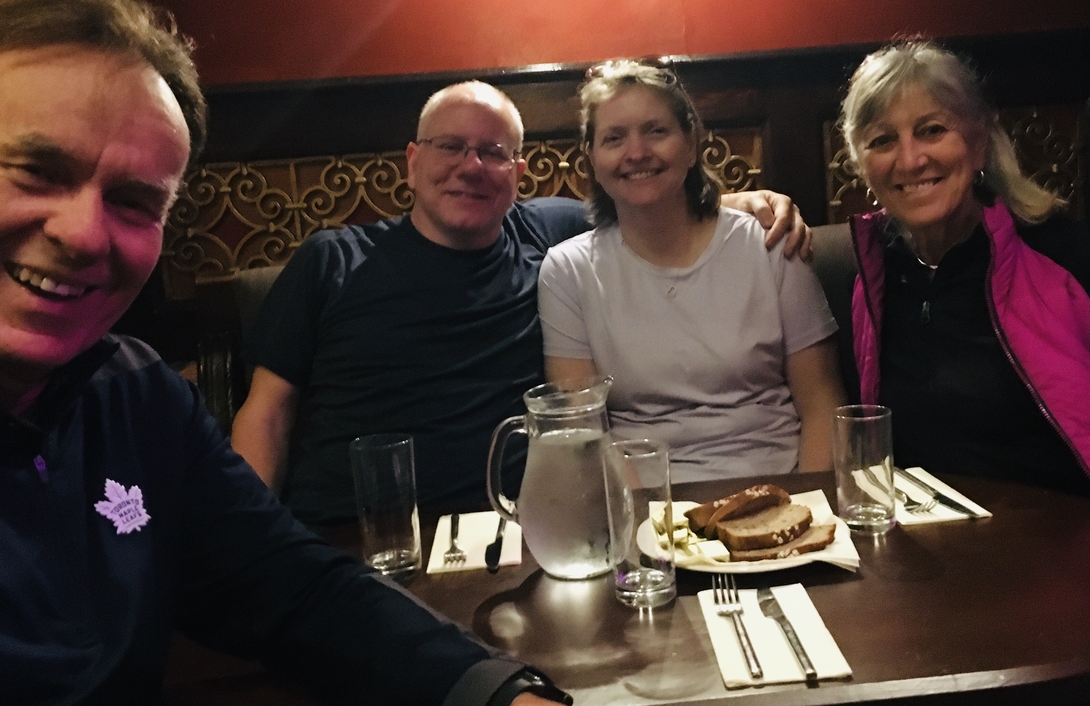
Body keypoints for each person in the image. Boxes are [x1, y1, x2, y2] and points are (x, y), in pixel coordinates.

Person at [0, 0, 572, 704]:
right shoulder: (334, 260)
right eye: (38, 170)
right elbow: (269, 414)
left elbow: (295, 588)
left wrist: (501, 694)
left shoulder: (135, 398)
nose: (82, 233)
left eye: (132, 201)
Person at [233, 80, 813, 526]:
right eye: (451, 147)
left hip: (505, 526)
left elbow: (648, 207)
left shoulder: (547, 238)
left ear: (519, 171)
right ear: (412, 161)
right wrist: (250, 537)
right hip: (350, 530)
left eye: (493, 152)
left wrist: (740, 203)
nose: (471, 167)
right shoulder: (332, 260)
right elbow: (266, 415)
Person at [839, 39, 1090, 509]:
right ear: (861, 164)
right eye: (882, 140)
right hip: (923, 543)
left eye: (932, 130)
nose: (910, 159)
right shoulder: (874, 272)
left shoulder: (1068, 258)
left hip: (1063, 535)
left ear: (977, 144)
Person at [537, 60, 845, 480]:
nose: (637, 152)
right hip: (644, 506)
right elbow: (585, 430)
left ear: (691, 143)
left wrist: (809, 507)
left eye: (656, 131)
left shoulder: (770, 241)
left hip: (780, 486)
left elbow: (822, 400)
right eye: (614, 138)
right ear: (591, 158)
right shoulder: (566, 271)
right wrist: (647, 524)